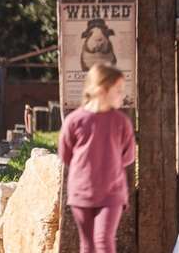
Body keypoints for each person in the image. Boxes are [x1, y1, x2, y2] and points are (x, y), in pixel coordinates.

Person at [58, 63, 135, 253]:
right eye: (118, 90)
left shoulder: (120, 122)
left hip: (111, 193)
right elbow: (66, 154)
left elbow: (129, 155)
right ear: (101, 90)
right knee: (88, 245)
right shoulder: (74, 121)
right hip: (82, 193)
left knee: (103, 241)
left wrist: (109, 168)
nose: (121, 95)